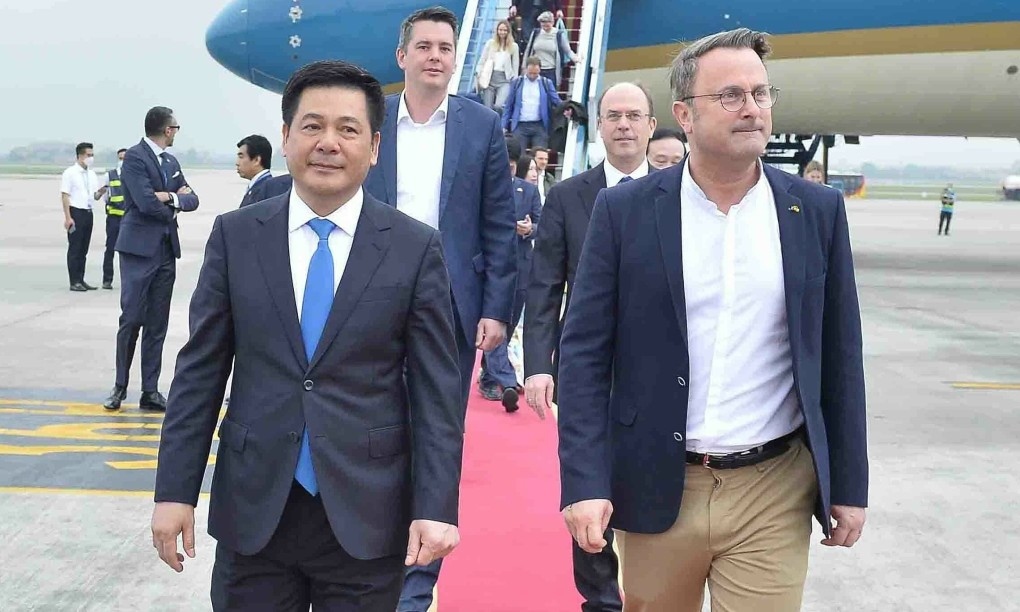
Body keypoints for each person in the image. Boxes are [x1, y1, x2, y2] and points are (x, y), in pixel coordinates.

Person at [554, 29, 868, 612]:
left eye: (761, 93)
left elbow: (840, 355)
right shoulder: (624, 212)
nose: (752, 108)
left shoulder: (815, 213)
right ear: (683, 114)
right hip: (657, 481)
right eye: (730, 96)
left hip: (773, 486)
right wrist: (584, 482)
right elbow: (584, 356)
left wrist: (849, 485)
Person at [150, 60, 465, 611]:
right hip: (256, 514)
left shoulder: (415, 249)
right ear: (286, 136)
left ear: (373, 148)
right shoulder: (238, 236)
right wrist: (175, 491)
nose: (328, 142)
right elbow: (199, 373)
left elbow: (437, 392)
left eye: (348, 129)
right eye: (312, 126)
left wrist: (435, 505)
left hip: (368, 515)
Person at [361, 7, 517, 609]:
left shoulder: (481, 126)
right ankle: (367, 558)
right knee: (369, 430)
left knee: (438, 436)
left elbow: (498, 227)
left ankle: (417, 586)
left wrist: (498, 310)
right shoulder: (373, 123)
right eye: (423, 46)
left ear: (457, 58)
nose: (434, 55)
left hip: (450, 305)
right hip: (373, 299)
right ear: (402, 57)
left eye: (445, 47)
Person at [524, 81, 658, 612]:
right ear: (598, 127)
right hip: (590, 371)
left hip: (660, 370)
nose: (623, 125)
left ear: (652, 126)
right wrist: (538, 365)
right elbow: (543, 288)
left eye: (634, 116)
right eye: (613, 116)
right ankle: (601, 600)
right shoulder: (567, 197)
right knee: (587, 485)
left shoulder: (679, 194)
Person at [102, 107, 199, 412]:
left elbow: (193, 199)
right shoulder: (134, 157)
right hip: (138, 250)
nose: (176, 133)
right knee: (131, 319)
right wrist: (174, 205)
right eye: (176, 128)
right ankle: (120, 387)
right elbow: (144, 203)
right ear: (168, 130)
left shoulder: (171, 162)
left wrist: (170, 197)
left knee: (157, 324)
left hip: (166, 251)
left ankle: (150, 390)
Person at [478, 140, 542, 411]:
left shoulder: (528, 190)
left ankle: (489, 375)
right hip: (492, 265)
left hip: (521, 264)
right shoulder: (486, 187)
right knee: (497, 319)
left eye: (513, 166)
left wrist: (530, 229)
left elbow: (543, 224)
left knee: (511, 322)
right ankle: (504, 377)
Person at [60, 142, 107, 291]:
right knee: (75, 248)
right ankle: (74, 281)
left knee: (84, 249)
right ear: (80, 155)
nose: (91, 158)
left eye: (92, 155)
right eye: (88, 155)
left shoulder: (91, 174)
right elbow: (65, 196)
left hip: (88, 212)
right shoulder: (70, 173)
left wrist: (101, 191)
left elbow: (94, 195)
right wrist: (68, 217)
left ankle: (81, 278)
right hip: (76, 212)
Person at [502, 57, 562, 153]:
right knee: (518, 155)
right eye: (530, 73)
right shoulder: (517, 83)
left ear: (540, 70)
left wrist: (567, 108)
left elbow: (556, 101)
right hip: (520, 125)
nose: (533, 76)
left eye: (535, 73)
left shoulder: (546, 83)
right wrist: (503, 125)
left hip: (540, 125)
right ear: (525, 69)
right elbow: (508, 105)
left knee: (540, 154)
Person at [521, 11, 580, 89]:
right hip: (535, 70)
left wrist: (576, 59)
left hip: (551, 71)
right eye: (543, 22)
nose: (545, 24)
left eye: (548, 22)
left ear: (552, 22)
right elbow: (528, 50)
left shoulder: (559, 34)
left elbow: (568, 51)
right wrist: (524, 67)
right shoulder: (535, 33)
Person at [475, 20, 519, 115]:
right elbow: (482, 61)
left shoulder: (514, 47)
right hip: (489, 78)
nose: (502, 32)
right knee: (487, 108)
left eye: (505, 30)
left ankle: (499, 123)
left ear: (508, 31)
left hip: (504, 80)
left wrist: (514, 81)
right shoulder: (490, 43)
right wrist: (478, 72)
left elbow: (515, 66)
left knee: (498, 105)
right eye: (500, 30)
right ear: (497, 31)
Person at [236, 134, 292, 207]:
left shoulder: (268, 190)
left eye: (241, 157)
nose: (237, 163)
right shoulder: (258, 188)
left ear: (257, 160)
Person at [101, 148, 128, 290]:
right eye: (120, 158)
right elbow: (106, 197)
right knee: (110, 249)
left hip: (129, 219)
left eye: (125, 158)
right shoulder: (109, 176)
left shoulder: (133, 176)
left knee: (128, 251)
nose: (122, 161)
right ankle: (107, 280)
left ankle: (128, 281)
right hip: (113, 218)